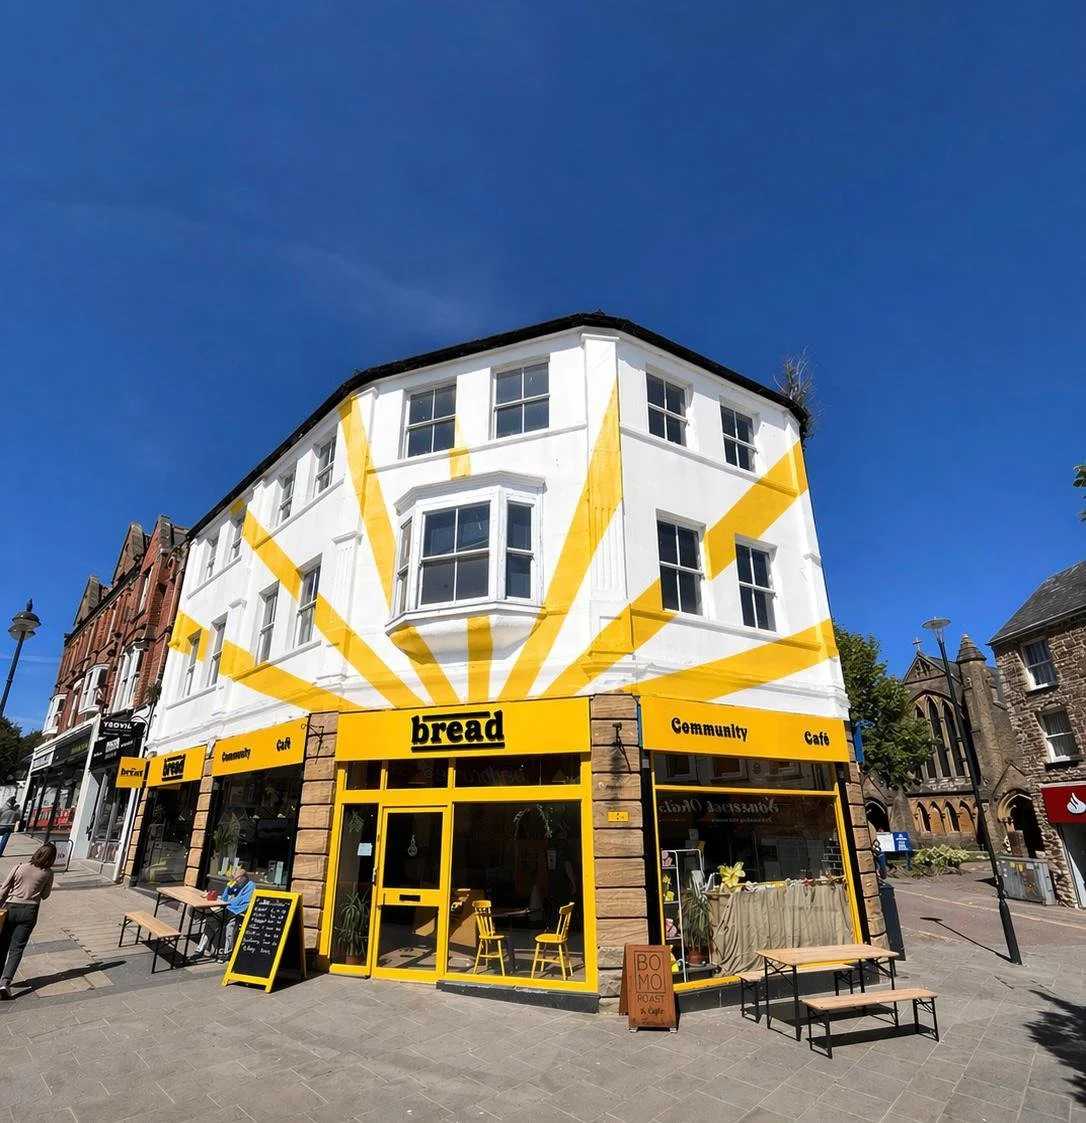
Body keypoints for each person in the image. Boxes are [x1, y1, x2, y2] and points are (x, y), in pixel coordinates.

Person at [0, 841, 56, 998]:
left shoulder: (19, 867)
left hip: (10, 908)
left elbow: (4, 889)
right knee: (17, 948)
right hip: (29, 911)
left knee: (2, 946)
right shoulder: (48, 873)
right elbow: (45, 895)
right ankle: (5, 983)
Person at [193, 868, 255, 961]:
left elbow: (242, 901)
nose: (236, 880)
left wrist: (228, 903)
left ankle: (227, 952)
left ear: (243, 877)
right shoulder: (237, 885)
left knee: (230, 926)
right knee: (211, 920)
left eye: (237, 878)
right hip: (227, 908)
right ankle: (200, 948)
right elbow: (224, 898)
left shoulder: (250, 885)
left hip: (238, 911)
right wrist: (228, 888)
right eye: (235, 878)